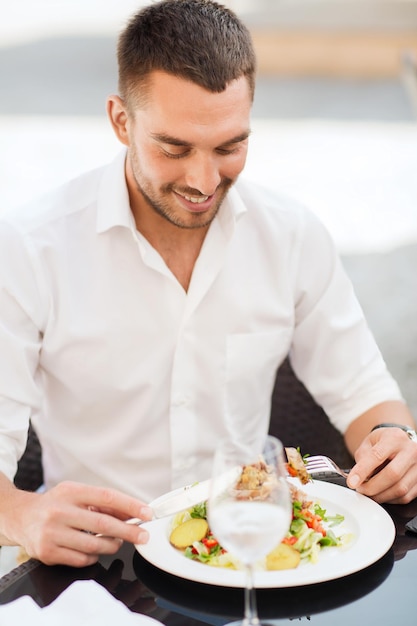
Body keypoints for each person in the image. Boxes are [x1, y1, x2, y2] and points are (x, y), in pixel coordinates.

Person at [0, 0, 416, 569]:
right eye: (174, 148)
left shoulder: (292, 235)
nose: (203, 181)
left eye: (229, 147)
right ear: (121, 120)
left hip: (251, 550)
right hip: (100, 568)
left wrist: (397, 442)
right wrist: (19, 514)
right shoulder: (29, 247)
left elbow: (366, 394)